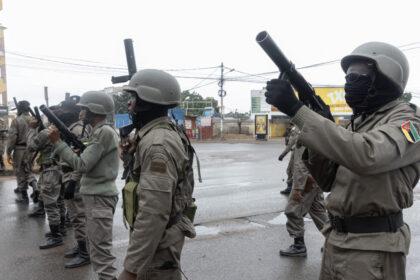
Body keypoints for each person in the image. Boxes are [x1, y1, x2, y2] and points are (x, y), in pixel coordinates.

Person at [265, 41, 419, 279]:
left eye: (358, 76)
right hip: (337, 240)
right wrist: (316, 132)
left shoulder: (409, 122)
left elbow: (368, 155)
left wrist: (299, 111)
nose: (349, 83)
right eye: (348, 77)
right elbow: (328, 181)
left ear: (385, 78)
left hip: (373, 248)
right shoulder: (358, 123)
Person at [118, 69, 197, 280]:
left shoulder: (157, 144)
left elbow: (154, 211)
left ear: (146, 102)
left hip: (158, 243)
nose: (129, 103)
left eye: (133, 97)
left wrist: (130, 269)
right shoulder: (159, 132)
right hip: (159, 238)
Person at [47, 91, 119, 280]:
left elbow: (81, 165)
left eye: (84, 109)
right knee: (97, 250)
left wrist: (58, 143)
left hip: (100, 197)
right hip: (96, 196)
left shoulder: (103, 132)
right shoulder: (100, 132)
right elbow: (89, 160)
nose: (81, 113)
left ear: (94, 110)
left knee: (101, 253)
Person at [56, 96, 92, 268]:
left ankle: (86, 252)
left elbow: (83, 157)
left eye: (63, 111)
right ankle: (81, 246)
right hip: (67, 175)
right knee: (74, 215)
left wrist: (72, 182)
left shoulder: (78, 130)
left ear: (72, 113)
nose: (60, 114)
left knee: (79, 216)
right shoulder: (69, 128)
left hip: (74, 177)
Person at [280, 140, 327, 257]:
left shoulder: (307, 134)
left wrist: (297, 188)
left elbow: (302, 164)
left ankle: (299, 246)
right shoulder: (319, 132)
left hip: (306, 181)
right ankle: (336, 243)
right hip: (315, 179)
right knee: (319, 213)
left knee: (293, 211)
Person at [27, 109, 66, 249]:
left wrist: (32, 130)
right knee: (60, 201)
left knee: (50, 203)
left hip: (50, 170)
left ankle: (56, 236)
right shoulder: (64, 130)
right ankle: (61, 228)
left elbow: (31, 146)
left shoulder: (46, 132)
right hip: (62, 169)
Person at [7, 100, 37, 203]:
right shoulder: (34, 120)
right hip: (31, 149)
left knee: (20, 171)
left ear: (20, 109)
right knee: (29, 170)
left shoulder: (17, 121)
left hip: (20, 149)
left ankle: (24, 196)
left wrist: (8, 152)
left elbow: (12, 138)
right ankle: (35, 188)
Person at [278, 124, 299, 195]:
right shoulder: (301, 126)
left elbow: (290, 144)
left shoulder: (296, 129)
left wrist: (282, 155)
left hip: (297, 152)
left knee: (291, 170)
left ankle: (291, 188)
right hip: (301, 152)